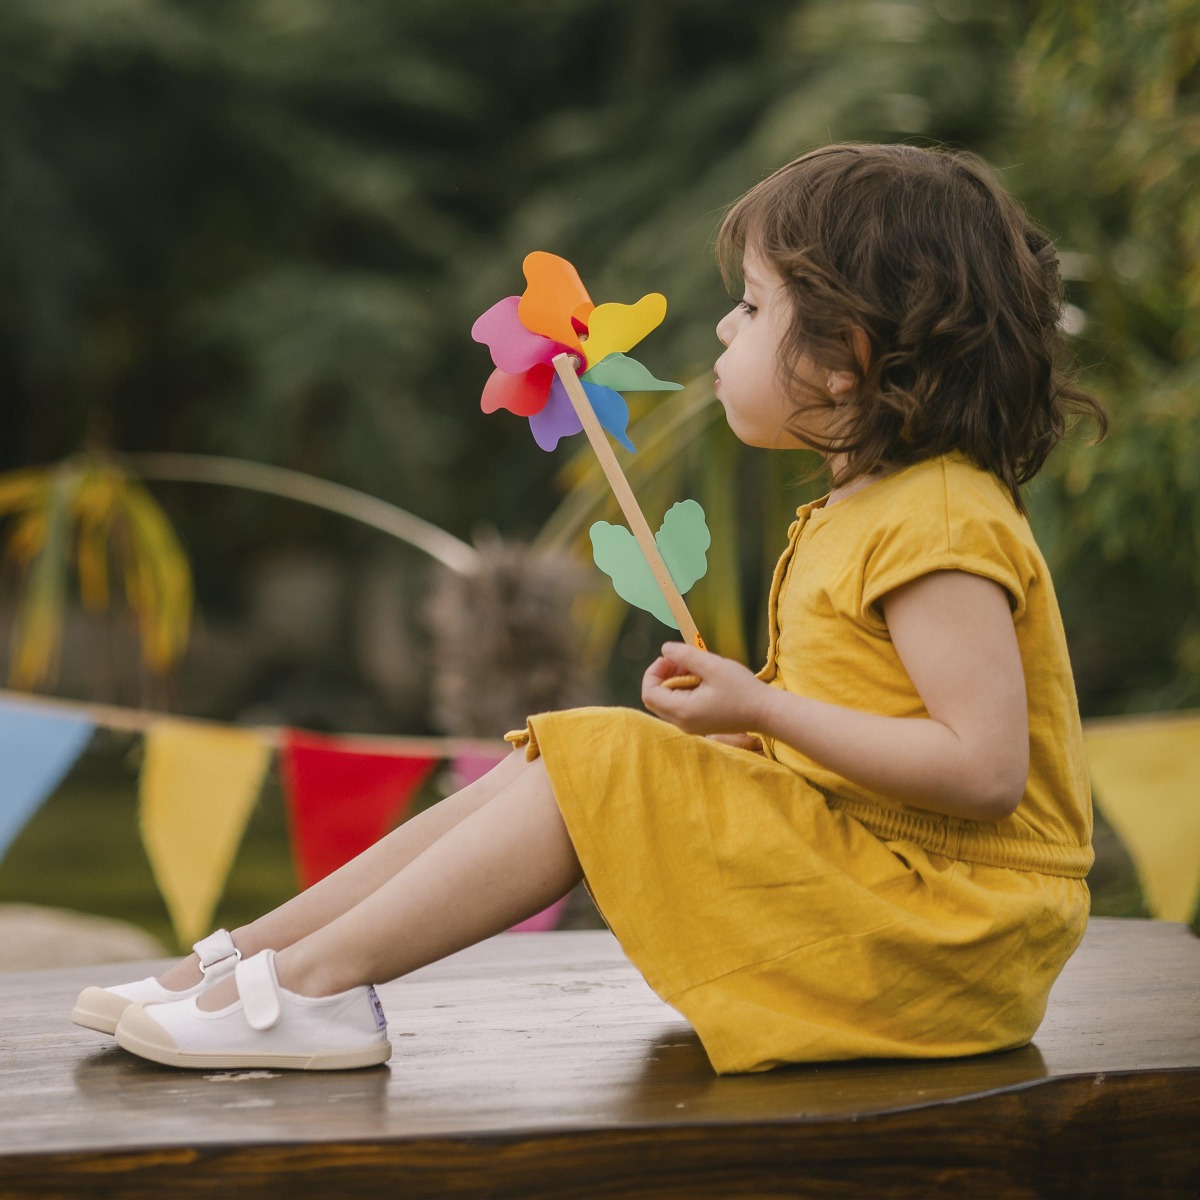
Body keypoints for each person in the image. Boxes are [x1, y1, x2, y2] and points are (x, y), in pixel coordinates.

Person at [73, 142, 1107, 1074]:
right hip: (886, 903)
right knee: (564, 753)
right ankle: (251, 962)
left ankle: (312, 992)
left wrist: (763, 711)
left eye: (751, 306)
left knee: (601, 760)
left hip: (945, 940)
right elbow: (878, 741)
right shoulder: (872, 507)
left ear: (846, 363)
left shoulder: (937, 521)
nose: (722, 325)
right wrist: (753, 742)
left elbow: (981, 770)